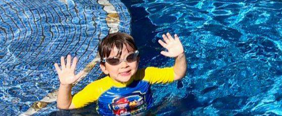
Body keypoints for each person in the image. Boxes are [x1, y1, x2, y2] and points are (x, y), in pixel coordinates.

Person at [54, 32, 187, 115]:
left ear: (138, 59)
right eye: (114, 61)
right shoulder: (98, 88)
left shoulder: (146, 75)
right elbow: (66, 106)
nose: (124, 65)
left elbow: (177, 74)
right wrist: (65, 85)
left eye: (130, 57)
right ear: (104, 68)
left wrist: (180, 56)